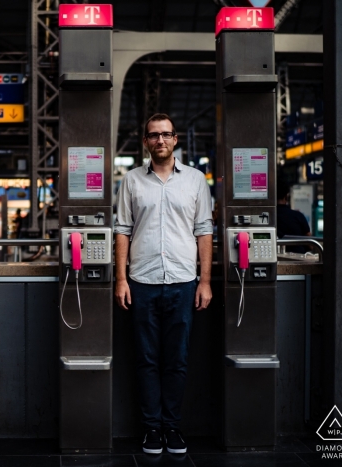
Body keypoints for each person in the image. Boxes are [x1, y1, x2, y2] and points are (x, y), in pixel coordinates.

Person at [114, 113, 213, 455]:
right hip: (142, 282)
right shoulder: (131, 181)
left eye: (166, 135)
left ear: (175, 140)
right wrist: (121, 279)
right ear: (145, 142)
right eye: (153, 135)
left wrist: (205, 282)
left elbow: (204, 231)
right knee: (146, 360)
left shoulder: (196, 181)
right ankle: (152, 429)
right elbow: (123, 231)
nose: (160, 140)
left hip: (184, 284)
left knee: (177, 361)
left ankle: (172, 428)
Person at [276, 181, 311, 253]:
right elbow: (310, 244)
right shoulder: (298, 216)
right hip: (299, 258)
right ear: (286, 197)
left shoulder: (268, 217)